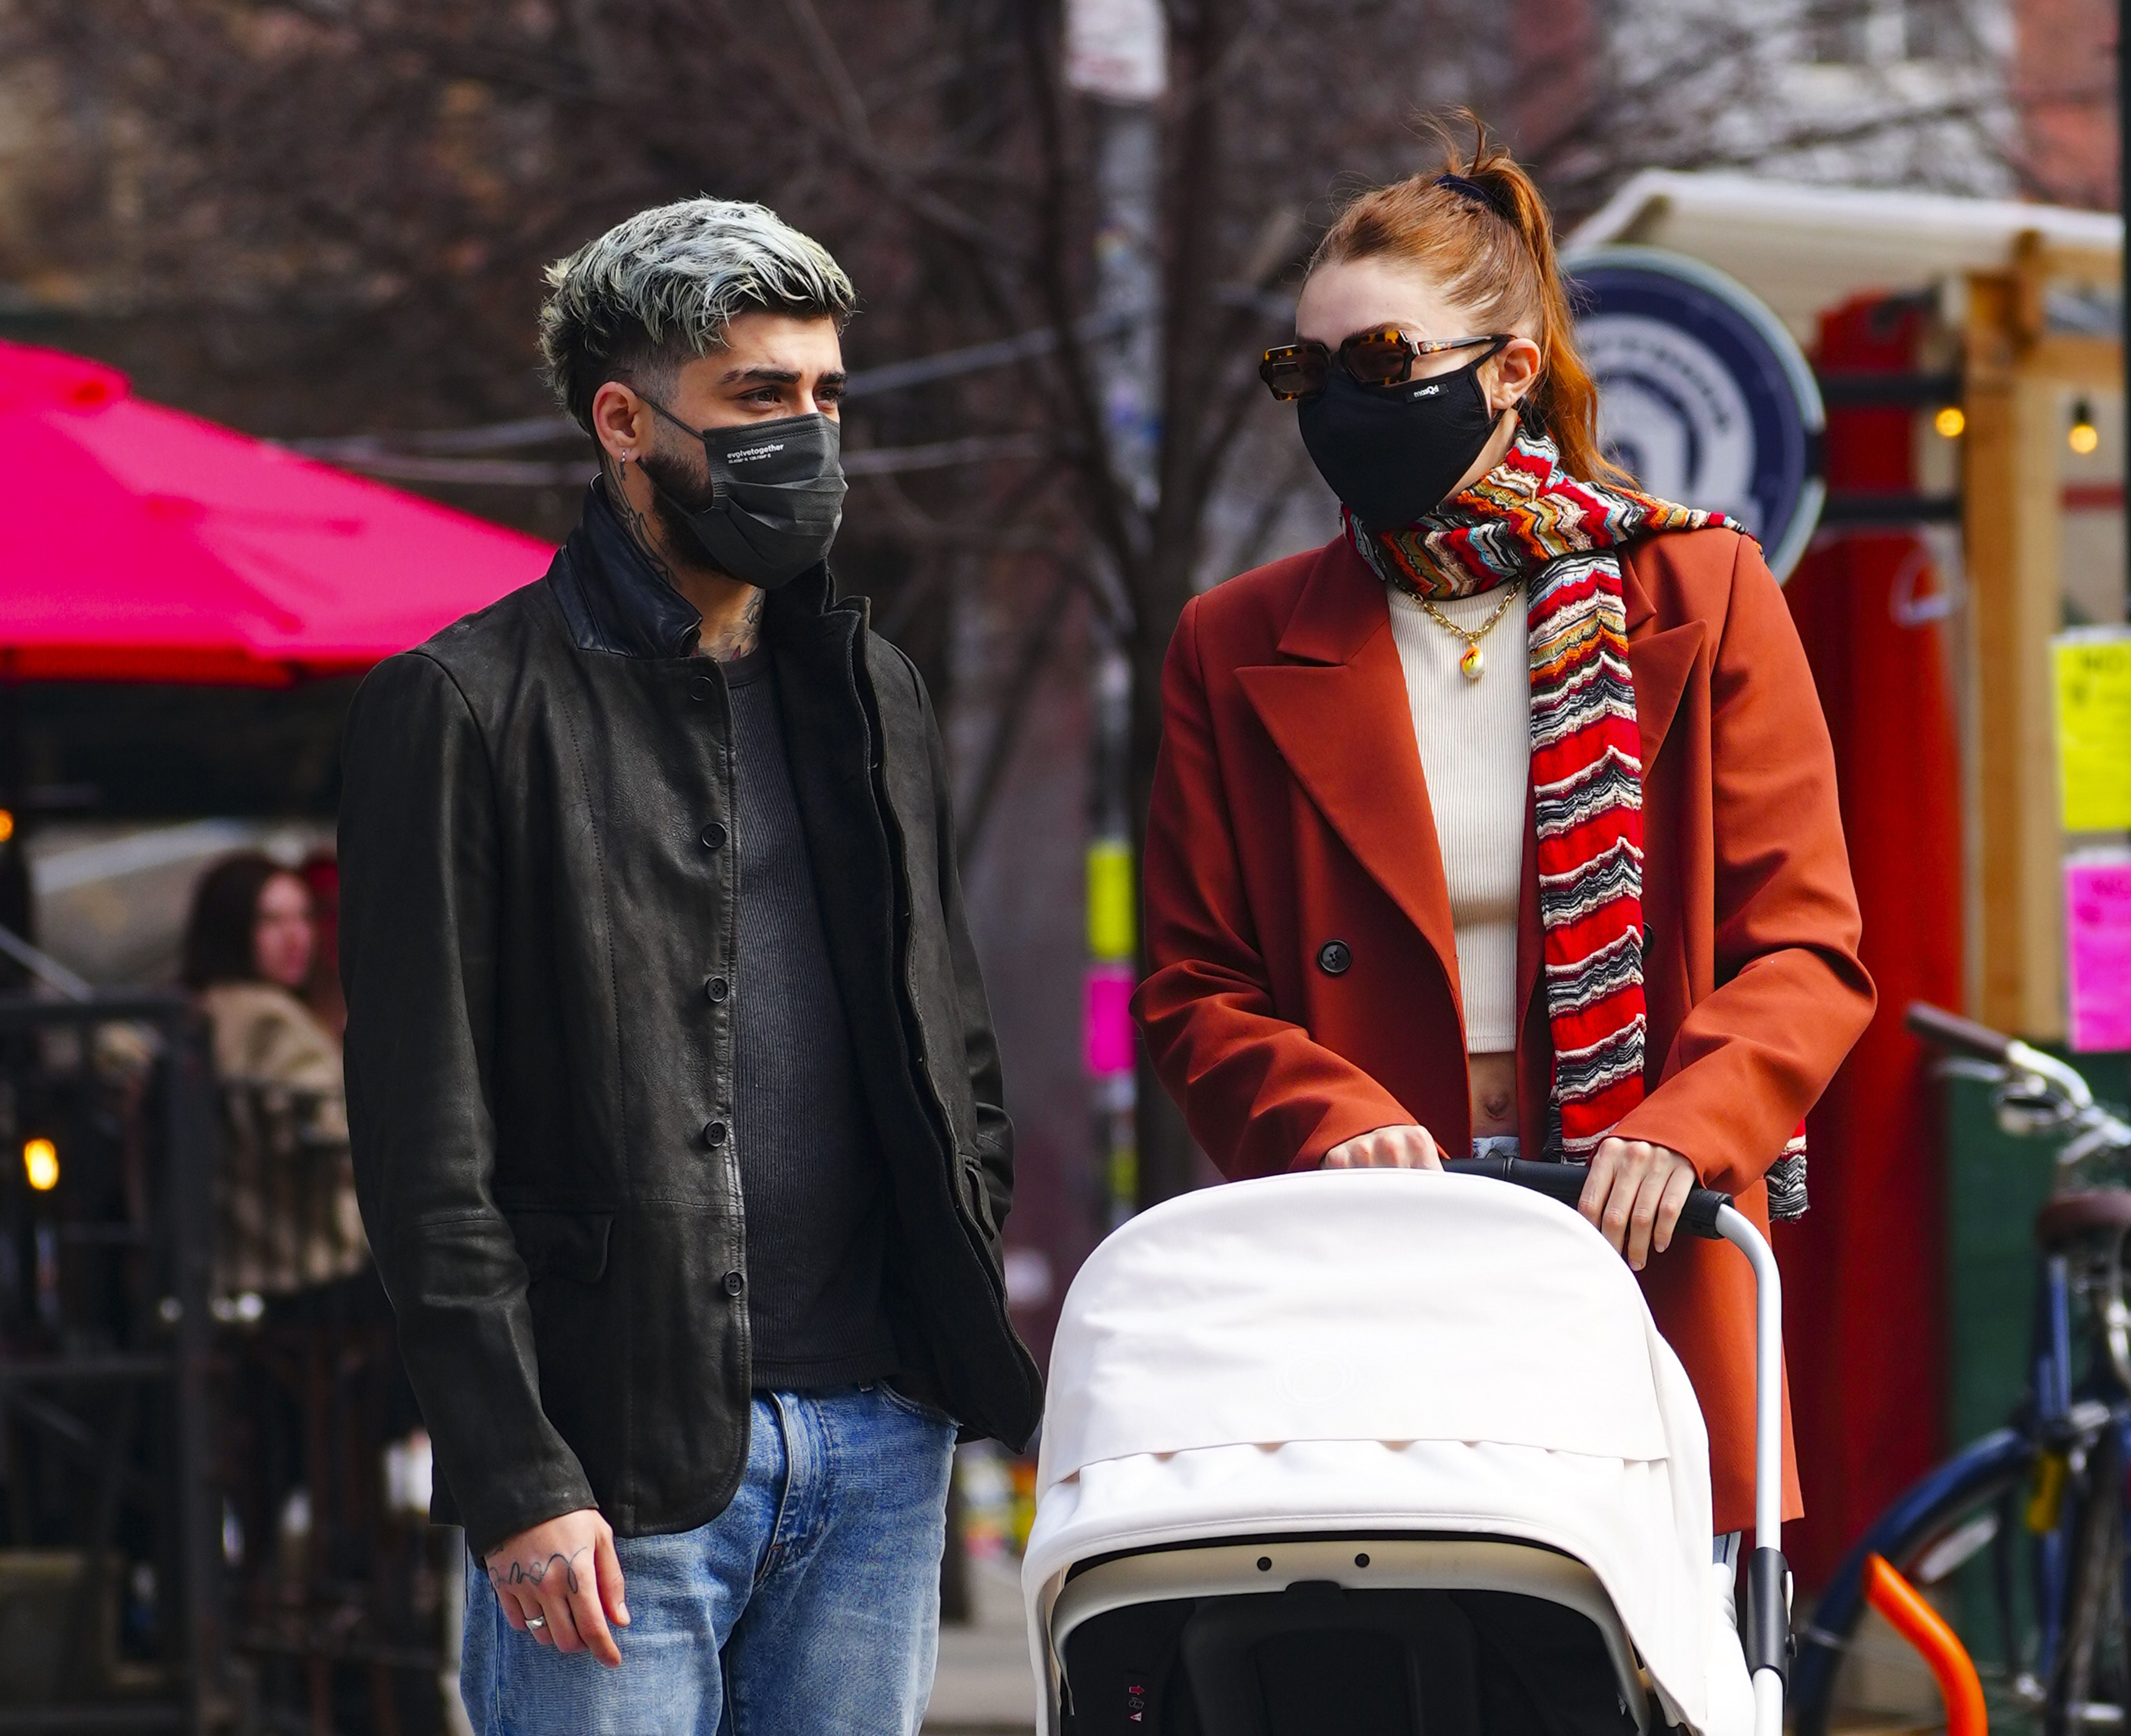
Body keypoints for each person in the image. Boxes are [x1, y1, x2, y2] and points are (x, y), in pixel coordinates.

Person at [1134, 124, 1873, 1628]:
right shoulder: (1234, 638)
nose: (1342, 407)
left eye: (1383, 363)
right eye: (1309, 374)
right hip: (1359, 1273)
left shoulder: (1700, 588)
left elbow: (1804, 947)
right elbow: (1193, 985)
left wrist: (1687, 1129)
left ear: (1515, 368)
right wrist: (1327, 1117)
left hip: (1640, 1256)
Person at [337, 198, 1040, 1736]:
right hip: (609, 1470)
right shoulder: (460, 710)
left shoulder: (873, 694)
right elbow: (420, 1143)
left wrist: (948, 1312)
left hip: (878, 1443)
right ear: (623, 421)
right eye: (758, 398)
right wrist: (516, 1476)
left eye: (826, 395)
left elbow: (947, 1037)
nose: (809, 436)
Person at [182, 851, 365, 1298]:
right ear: (231, 930)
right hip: (307, 1266)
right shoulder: (268, 1019)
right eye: (271, 922)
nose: (296, 938)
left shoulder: (206, 1010)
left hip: (242, 1264)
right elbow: (334, 1135)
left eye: (303, 918)